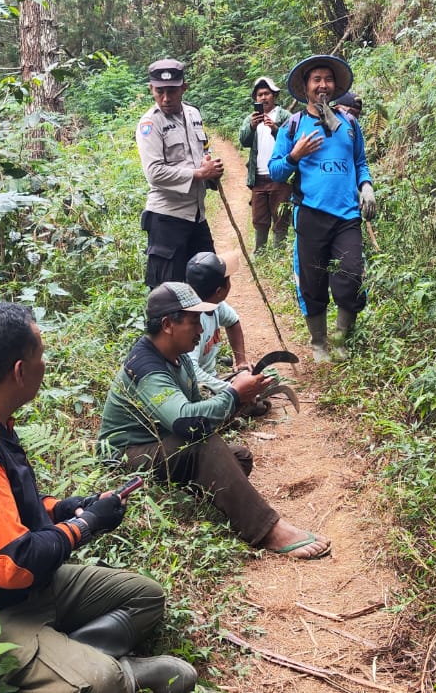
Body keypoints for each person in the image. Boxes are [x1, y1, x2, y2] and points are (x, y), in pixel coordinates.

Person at [0, 302, 197, 693]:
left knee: (146, 598)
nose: (45, 364)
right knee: (103, 681)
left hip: (32, 591)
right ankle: (103, 674)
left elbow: (10, 507)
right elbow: (12, 566)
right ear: (19, 370)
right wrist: (86, 524)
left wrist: (65, 508)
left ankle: (64, 660)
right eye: (40, 355)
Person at [98, 283, 331, 559]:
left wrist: (241, 400)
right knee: (205, 447)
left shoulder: (179, 359)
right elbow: (188, 423)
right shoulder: (146, 368)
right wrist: (233, 394)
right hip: (126, 455)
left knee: (239, 458)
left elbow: (197, 411)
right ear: (167, 324)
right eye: (194, 321)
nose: (201, 329)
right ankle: (269, 530)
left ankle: (196, 497)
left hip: (159, 443)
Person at [268, 55, 375, 362]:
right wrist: (295, 155)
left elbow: (360, 163)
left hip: (347, 216)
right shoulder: (293, 126)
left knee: (351, 276)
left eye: (327, 79)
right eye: (316, 80)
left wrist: (366, 186)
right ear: (306, 88)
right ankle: (319, 343)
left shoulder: (350, 125)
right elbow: (275, 171)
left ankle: (340, 341)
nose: (323, 85)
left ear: (335, 86)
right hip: (310, 213)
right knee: (312, 281)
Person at [136, 58, 223, 288]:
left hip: (197, 217)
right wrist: (198, 174)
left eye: (172, 91)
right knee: (170, 292)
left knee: (210, 284)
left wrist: (211, 169)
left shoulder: (194, 114)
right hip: (167, 220)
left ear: (184, 87)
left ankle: (208, 325)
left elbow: (203, 150)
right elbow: (154, 173)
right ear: (151, 89)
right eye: (160, 91)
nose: (166, 98)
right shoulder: (150, 124)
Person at [237, 76, 293, 252]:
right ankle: (260, 253)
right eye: (259, 94)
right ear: (255, 99)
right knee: (259, 218)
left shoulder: (284, 116)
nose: (263, 97)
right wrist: (252, 127)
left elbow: (292, 141)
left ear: (274, 96)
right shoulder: (251, 118)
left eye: (267, 93)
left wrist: (276, 129)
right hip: (259, 177)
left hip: (280, 177)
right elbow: (244, 141)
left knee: (280, 217)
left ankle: (278, 254)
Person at [184, 252, 248, 390]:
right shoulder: (191, 323)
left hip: (212, 378)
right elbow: (191, 371)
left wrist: (241, 362)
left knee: (268, 377)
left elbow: (233, 322)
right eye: (228, 279)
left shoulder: (216, 304)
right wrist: (231, 390)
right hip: (195, 385)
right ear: (219, 291)